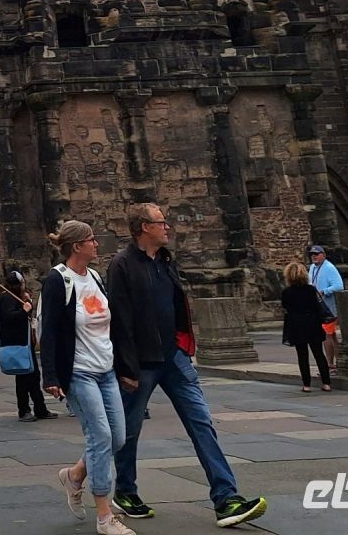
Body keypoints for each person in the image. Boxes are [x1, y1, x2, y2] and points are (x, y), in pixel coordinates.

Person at [109, 202, 266, 528]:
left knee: (201, 423)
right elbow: (120, 320)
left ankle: (226, 498)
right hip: (142, 362)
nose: (167, 226)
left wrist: (182, 345)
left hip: (174, 357)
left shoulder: (165, 261)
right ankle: (125, 491)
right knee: (129, 430)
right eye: (161, 222)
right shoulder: (122, 265)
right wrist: (126, 367)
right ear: (144, 227)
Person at [41, 222, 130, 535]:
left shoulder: (94, 277)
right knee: (100, 436)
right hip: (79, 372)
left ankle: (76, 474)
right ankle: (104, 515)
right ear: (77, 246)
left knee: (117, 437)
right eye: (92, 240)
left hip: (105, 369)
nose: (97, 244)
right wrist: (50, 376)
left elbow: (108, 325)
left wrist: (123, 364)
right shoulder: (58, 280)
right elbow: (49, 330)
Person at [0, 268, 52, 422]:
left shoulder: (15, 298)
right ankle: (24, 410)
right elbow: (5, 319)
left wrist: (27, 303)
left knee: (33, 376)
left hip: (25, 344)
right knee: (23, 378)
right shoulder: (6, 298)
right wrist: (24, 311)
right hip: (17, 344)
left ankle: (40, 408)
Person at [280, 262, 331, 392]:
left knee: (302, 356)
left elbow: (285, 307)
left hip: (297, 325)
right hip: (313, 324)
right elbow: (317, 305)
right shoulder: (311, 290)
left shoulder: (287, 292)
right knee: (319, 354)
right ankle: (326, 383)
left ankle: (306, 385)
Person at [307, 245, 344, 370]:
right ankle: (339, 362)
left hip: (329, 308)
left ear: (323, 255)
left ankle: (330, 364)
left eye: (316, 254)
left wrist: (324, 291)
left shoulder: (329, 268)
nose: (314, 256)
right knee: (331, 335)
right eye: (312, 254)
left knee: (326, 335)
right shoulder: (312, 267)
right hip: (318, 307)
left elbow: (339, 286)